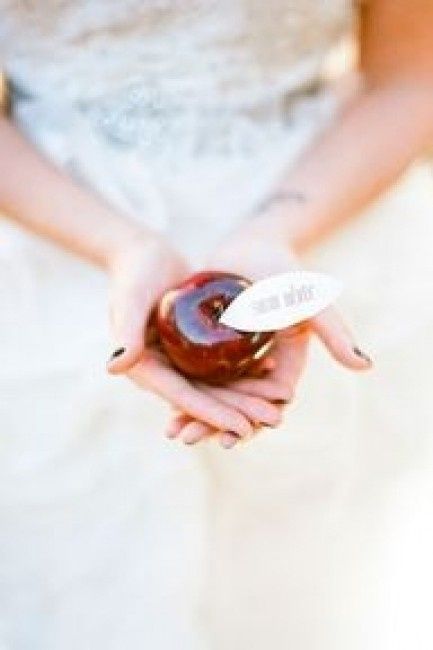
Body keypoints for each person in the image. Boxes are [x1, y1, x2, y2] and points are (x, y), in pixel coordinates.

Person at [0, 1, 432, 648]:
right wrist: (122, 246)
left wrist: (277, 230)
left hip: (318, 199)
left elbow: (411, 76)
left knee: (308, 594)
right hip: (52, 240)